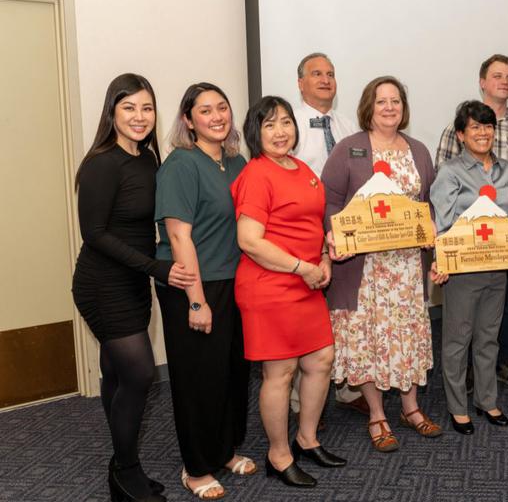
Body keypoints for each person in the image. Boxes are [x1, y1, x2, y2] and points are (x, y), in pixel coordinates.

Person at [72, 73, 195, 502]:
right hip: (102, 283)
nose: (140, 117)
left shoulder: (148, 159)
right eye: (129, 108)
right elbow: (96, 235)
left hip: (133, 282)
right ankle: (125, 468)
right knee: (141, 374)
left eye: (146, 108)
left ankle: (121, 464)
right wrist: (158, 269)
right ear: (112, 112)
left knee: (116, 373)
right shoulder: (102, 164)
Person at [232, 96, 346, 489]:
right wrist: (304, 268)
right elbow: (249, 240)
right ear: (255, 133)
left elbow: (312, 226)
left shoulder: (302, 170)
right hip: (270, 285)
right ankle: (278, 455)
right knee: (279, 373)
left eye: (285, 123)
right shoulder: (256, 174)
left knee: (321, 360)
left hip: (308, 279)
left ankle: (307, 438)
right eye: (269, 125)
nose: (280, 132)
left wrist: (324, 260)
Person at [322, 76, 440, 451]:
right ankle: (377, 414)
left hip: (406, 268)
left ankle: (410, 407)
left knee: (405, 335)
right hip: (364, 270)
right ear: (368, 108)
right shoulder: (349, 149)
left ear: (403, 107)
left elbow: (428, 203)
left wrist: (432, 235)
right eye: (381, 101)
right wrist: (334, 235)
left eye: (395, 101)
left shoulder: (418, 150)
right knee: (369, 339)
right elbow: (330, 202)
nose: (389, 107)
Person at [155, 83, 254, 500]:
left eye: (222, 108)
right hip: (193, 285)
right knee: (198, 380)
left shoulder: (235, 161)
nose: (217, 116)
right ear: (188, 120)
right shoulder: (181, 165)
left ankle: (225, 450)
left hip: (236, 280)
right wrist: (196, 300)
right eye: (205, 110)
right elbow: (179, 237)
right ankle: (196, 467)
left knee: (233, 373)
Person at [435, 54, 508, 390]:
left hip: (503, 252)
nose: (504, 81)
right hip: (466, 254)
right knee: (461, 327)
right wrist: (444, 253)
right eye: (497, 75)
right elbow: (444, 191)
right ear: (482, 81)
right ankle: (462, 381)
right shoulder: (459, 134)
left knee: (501, 316)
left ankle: (496, 372)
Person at [430, 101, 508, 435]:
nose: (483, 133)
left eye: (488, 127)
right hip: (463, 271)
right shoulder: (451, 172)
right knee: (457, 340)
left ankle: (487, 400)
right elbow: (442, 222)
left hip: (499, 269)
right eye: (474, 127)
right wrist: (441, 261)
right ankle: (457, 407)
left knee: (488, 339)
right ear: (460, 134)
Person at [290, 52, 365, 416]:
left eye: (331, 74)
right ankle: (298, 399)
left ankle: (347, 387)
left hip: (343, 228)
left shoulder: (347, 123)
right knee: (304, 314)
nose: (325, 80)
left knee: (342, 311)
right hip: (302, 231)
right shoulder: (290, 125)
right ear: (300, 82)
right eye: (316, 74)